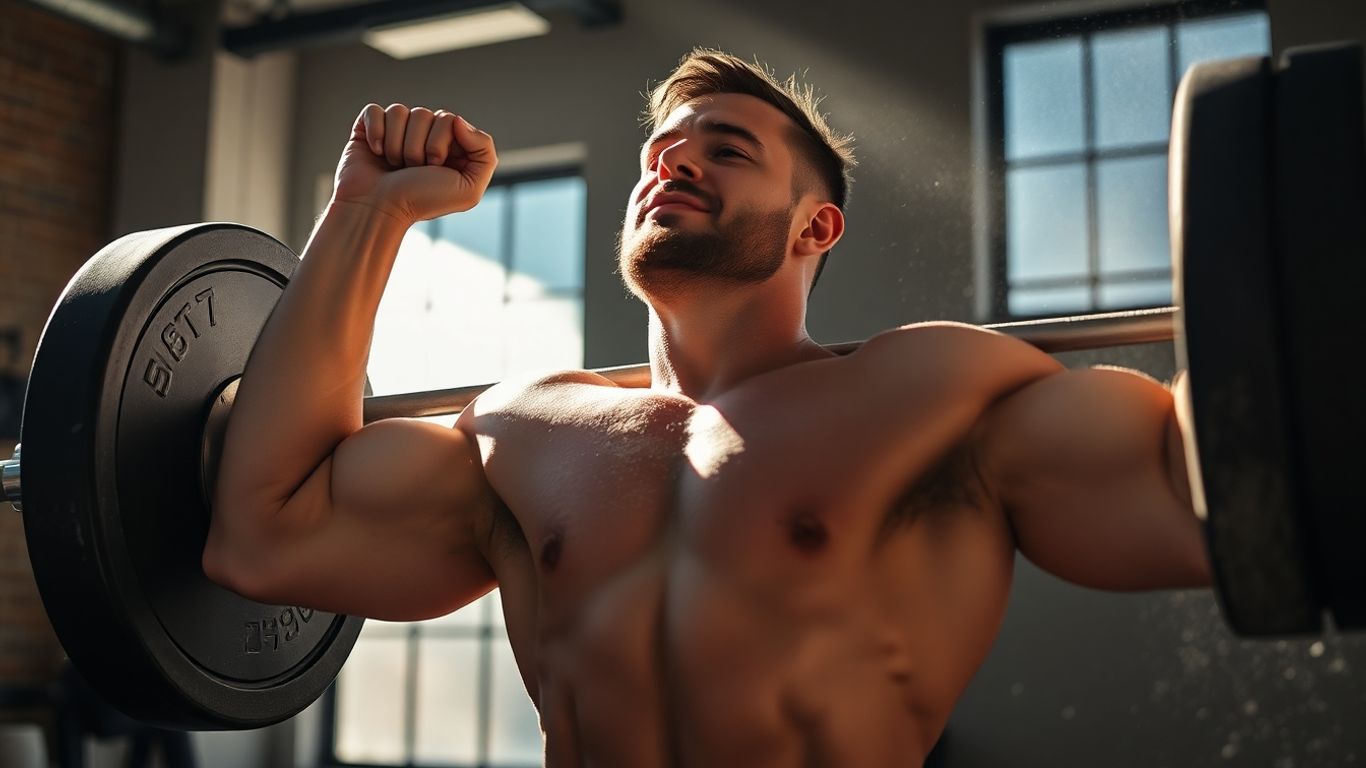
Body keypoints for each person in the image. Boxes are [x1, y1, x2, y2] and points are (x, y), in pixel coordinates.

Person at [204, 49, 1212, 767]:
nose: (669, 164)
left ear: (815, 225)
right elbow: (265, 533)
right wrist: (366, 212)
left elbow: (1209, 492)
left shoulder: (933, 395)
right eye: (658, 153)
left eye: (723, 150)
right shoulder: (522, 431)